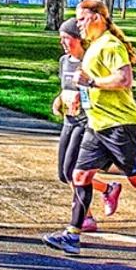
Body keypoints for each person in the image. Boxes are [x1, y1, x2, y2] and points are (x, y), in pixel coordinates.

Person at [42, 0, 136, 258]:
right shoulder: (94, 45)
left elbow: (124, 79)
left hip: (122, 125)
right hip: (97, 125)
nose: (79, 24)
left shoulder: (110, 45)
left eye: (82, 19)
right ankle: (72, 235)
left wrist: (92, 82)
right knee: (79, 176)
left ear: (97, 17)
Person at [49, 17, 118, 234]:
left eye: (66, 39)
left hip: (86, 122)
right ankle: (108, 189)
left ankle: (84, 218)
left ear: (78, 40)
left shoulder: (90, 61)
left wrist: (84, 97)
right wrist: (59, 100)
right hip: (68, 120)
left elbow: (98, 88)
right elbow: (65, 86)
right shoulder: (64, 61)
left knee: (72, 171)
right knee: (63, 174)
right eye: (61, 39)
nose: (63, 43)